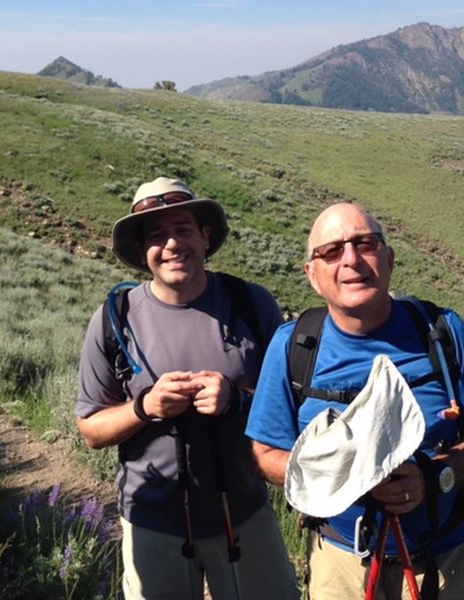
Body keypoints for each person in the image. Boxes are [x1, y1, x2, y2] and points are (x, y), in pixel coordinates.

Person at [246, 202, 464, 600]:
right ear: (312, 275)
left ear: (388, 259)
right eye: (331, 251)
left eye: (364, 244)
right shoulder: (294, 346)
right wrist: (343, 475)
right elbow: (266, 451)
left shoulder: (442, 332)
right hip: (340, 566)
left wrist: (435, 475)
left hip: (447, 563)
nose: (351, 260)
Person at [76, 176, 300, 600]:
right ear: (144, 251)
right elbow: (90, 429)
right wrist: (145, 407)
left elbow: (291, 405)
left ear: (205, 236)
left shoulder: (252, 303)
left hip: (245, 513)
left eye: (183, 230)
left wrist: (236, 400)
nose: (173, 244)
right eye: (157, 235)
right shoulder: (113, 320)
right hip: (151, 522)